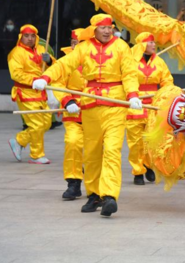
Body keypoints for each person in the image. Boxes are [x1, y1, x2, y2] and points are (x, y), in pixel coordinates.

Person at [32, 14, 140, 217]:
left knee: (112, 151)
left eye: (109, 27)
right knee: (91, 154)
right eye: (102, 28)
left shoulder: (121, 47)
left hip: (115, 105)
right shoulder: (83, 48)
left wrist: (133, 94)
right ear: (93, 30)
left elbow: (129, 73)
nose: (107, 31)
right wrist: (45, 77)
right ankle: (94, 194)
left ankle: (109, 196)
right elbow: (64, 65)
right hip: (90, 106)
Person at [126, 32, 173, 186]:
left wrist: (167, 95)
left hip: (153, 105)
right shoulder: (130, 62)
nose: (154, 45)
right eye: (150, 42)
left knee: (153, 140)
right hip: (135, 105)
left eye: (154, 42)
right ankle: (138, 171)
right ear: (141, 45)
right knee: (135, 142)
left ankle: (148, 164)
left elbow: (167, 81)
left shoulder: (159, 62)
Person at [7, 24, 55, 164]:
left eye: (32, 36)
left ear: (36, 37)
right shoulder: (15, 53)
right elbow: (16, 74)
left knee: (46, 123)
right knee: (37, 124)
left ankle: (19, 141)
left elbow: (56, 66)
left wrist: (50, 61)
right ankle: (36, 155)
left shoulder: (42, 49)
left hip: (41, 92)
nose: (29, 39)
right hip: (25, 92)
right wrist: (35, 80)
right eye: (26, 36)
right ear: (21, 37)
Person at [52, 28, 87, 200]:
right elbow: (58, 83)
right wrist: (67, 101)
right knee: (73, 142)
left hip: (96, 112)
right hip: (73, 111)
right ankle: (73, 182)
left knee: (97, 150)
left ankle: (99, 188)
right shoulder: (65, 62)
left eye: (81, 43)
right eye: (74, 43)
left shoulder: (99, 60)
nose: (77, 47)